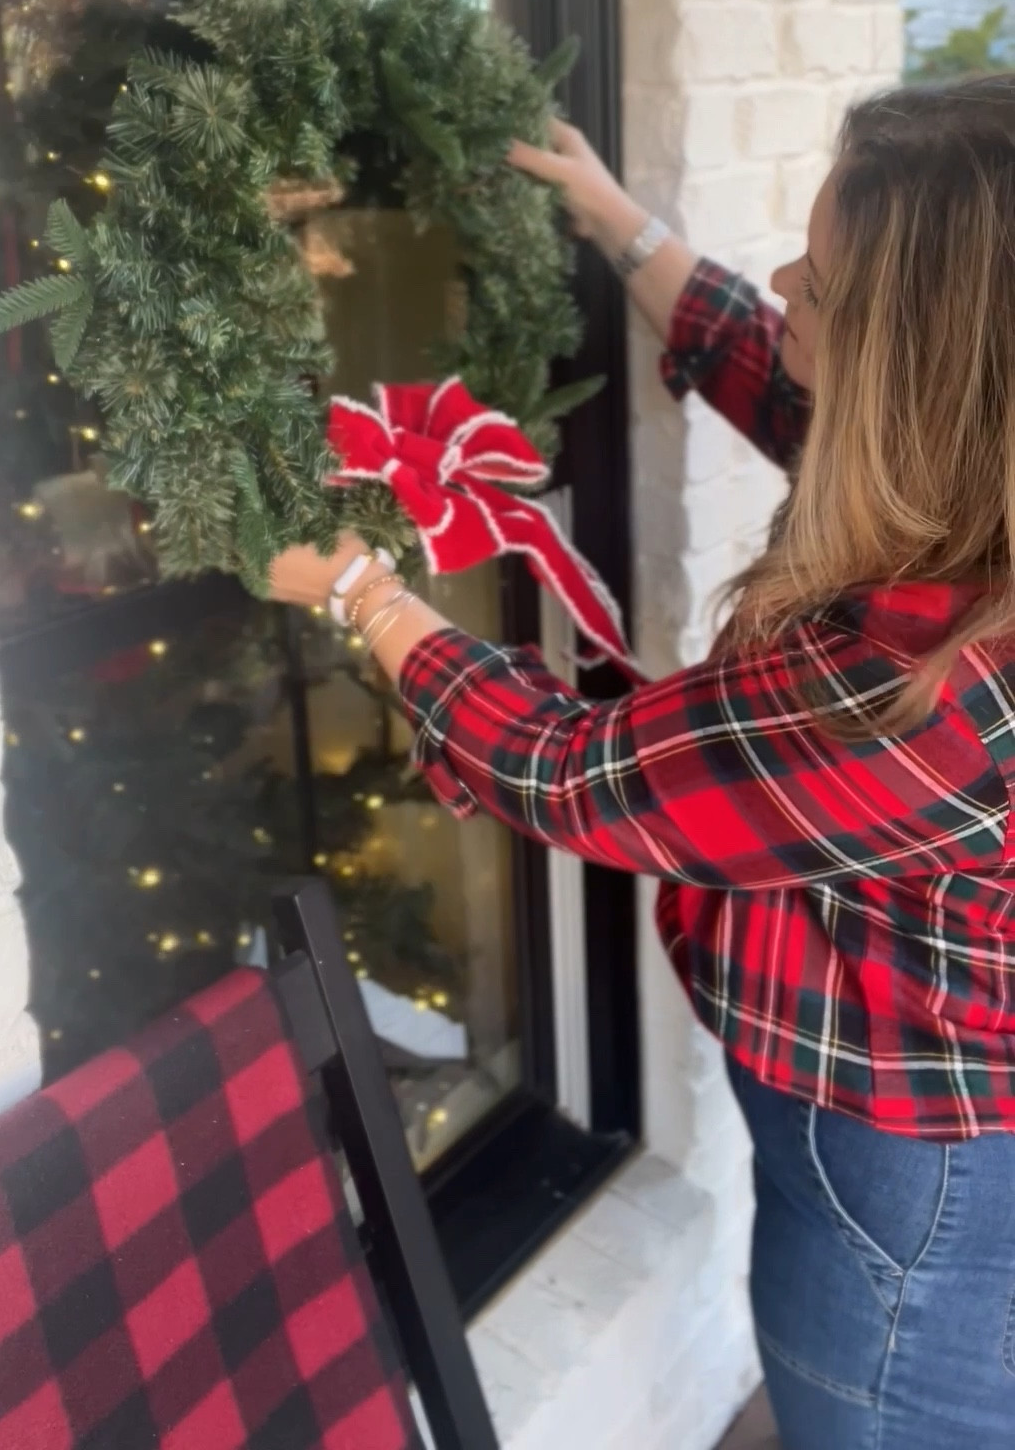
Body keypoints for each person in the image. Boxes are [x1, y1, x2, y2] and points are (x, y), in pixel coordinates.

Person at [270, 83, 1015, 1450]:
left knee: (871, 1416)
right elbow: (783, 378)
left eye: (821, 281)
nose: (783, 285)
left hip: (918, 1180)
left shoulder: (935, 684)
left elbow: (577, 773)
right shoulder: (975, 486)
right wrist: (620, 222)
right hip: (926, 1144)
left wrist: (361, 592)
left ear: (916, 361)